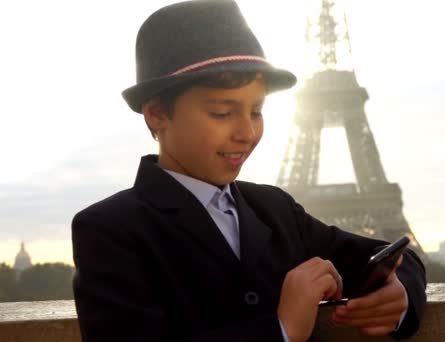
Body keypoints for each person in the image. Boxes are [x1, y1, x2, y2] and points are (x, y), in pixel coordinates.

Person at [71, 1, 426, 341]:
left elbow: (395, 255)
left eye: (256, 111)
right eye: (222, 113)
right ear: (157, 114)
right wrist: (281, 329)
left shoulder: (275, 209)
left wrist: (400, 293)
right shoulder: (107, 231)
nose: (247, 133)